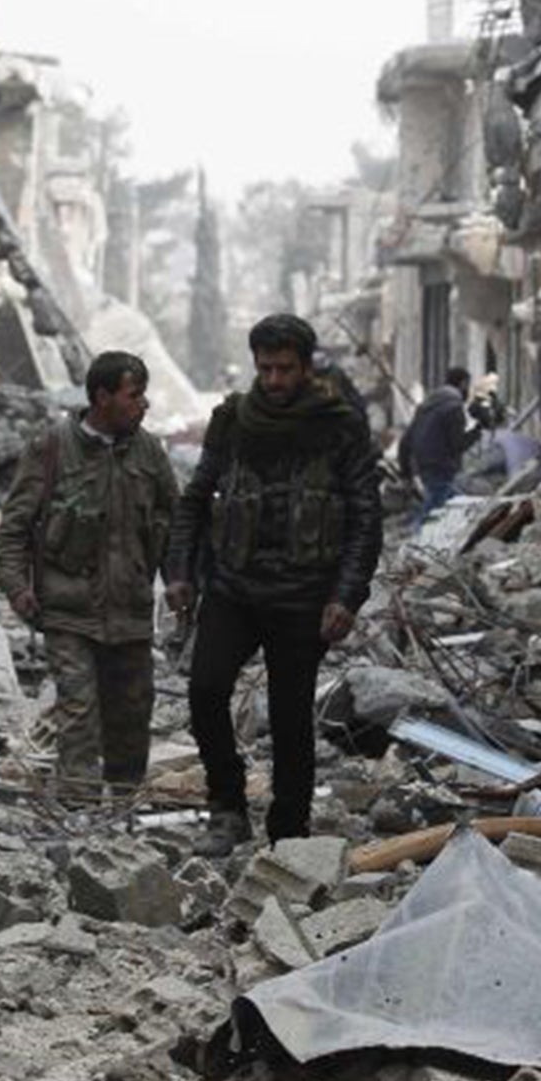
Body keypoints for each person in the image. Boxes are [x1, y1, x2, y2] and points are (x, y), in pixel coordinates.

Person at [167, 314, 383, 854]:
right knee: (205, 691)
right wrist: (179, 573)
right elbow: (195, 501)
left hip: (304, 598)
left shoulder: (339, 425)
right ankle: (227, 808)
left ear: (306, 368)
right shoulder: (234, 421)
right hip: (234, 589)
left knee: (290, 721)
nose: (274, 380)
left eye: (285, 369)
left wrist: (347, 595)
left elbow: (364, 515)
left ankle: (289, 831)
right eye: (265, 368)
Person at [0, 351, 178, 804]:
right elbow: (14, 528)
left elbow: (175, 525)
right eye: (134, 395)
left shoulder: (150, 452)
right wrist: (17, 589)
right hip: (68, 608)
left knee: (133, 709)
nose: (144, 405)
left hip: (131, 610)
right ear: (102, 397)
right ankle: (78, 805)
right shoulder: (52, 449)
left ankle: (123, 803)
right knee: (78, 708)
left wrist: (178, 581)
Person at [397, 366, 476, 527]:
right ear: (463, 383)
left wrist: (405, 473)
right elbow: (457, 444)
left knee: (451, 502)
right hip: (441, 465)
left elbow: (406, 441)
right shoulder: (453, 406)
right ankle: (416, 540)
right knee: (433, 510)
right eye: (468, 385)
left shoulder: (426, 406)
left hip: (425, 465)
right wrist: (477, 431)